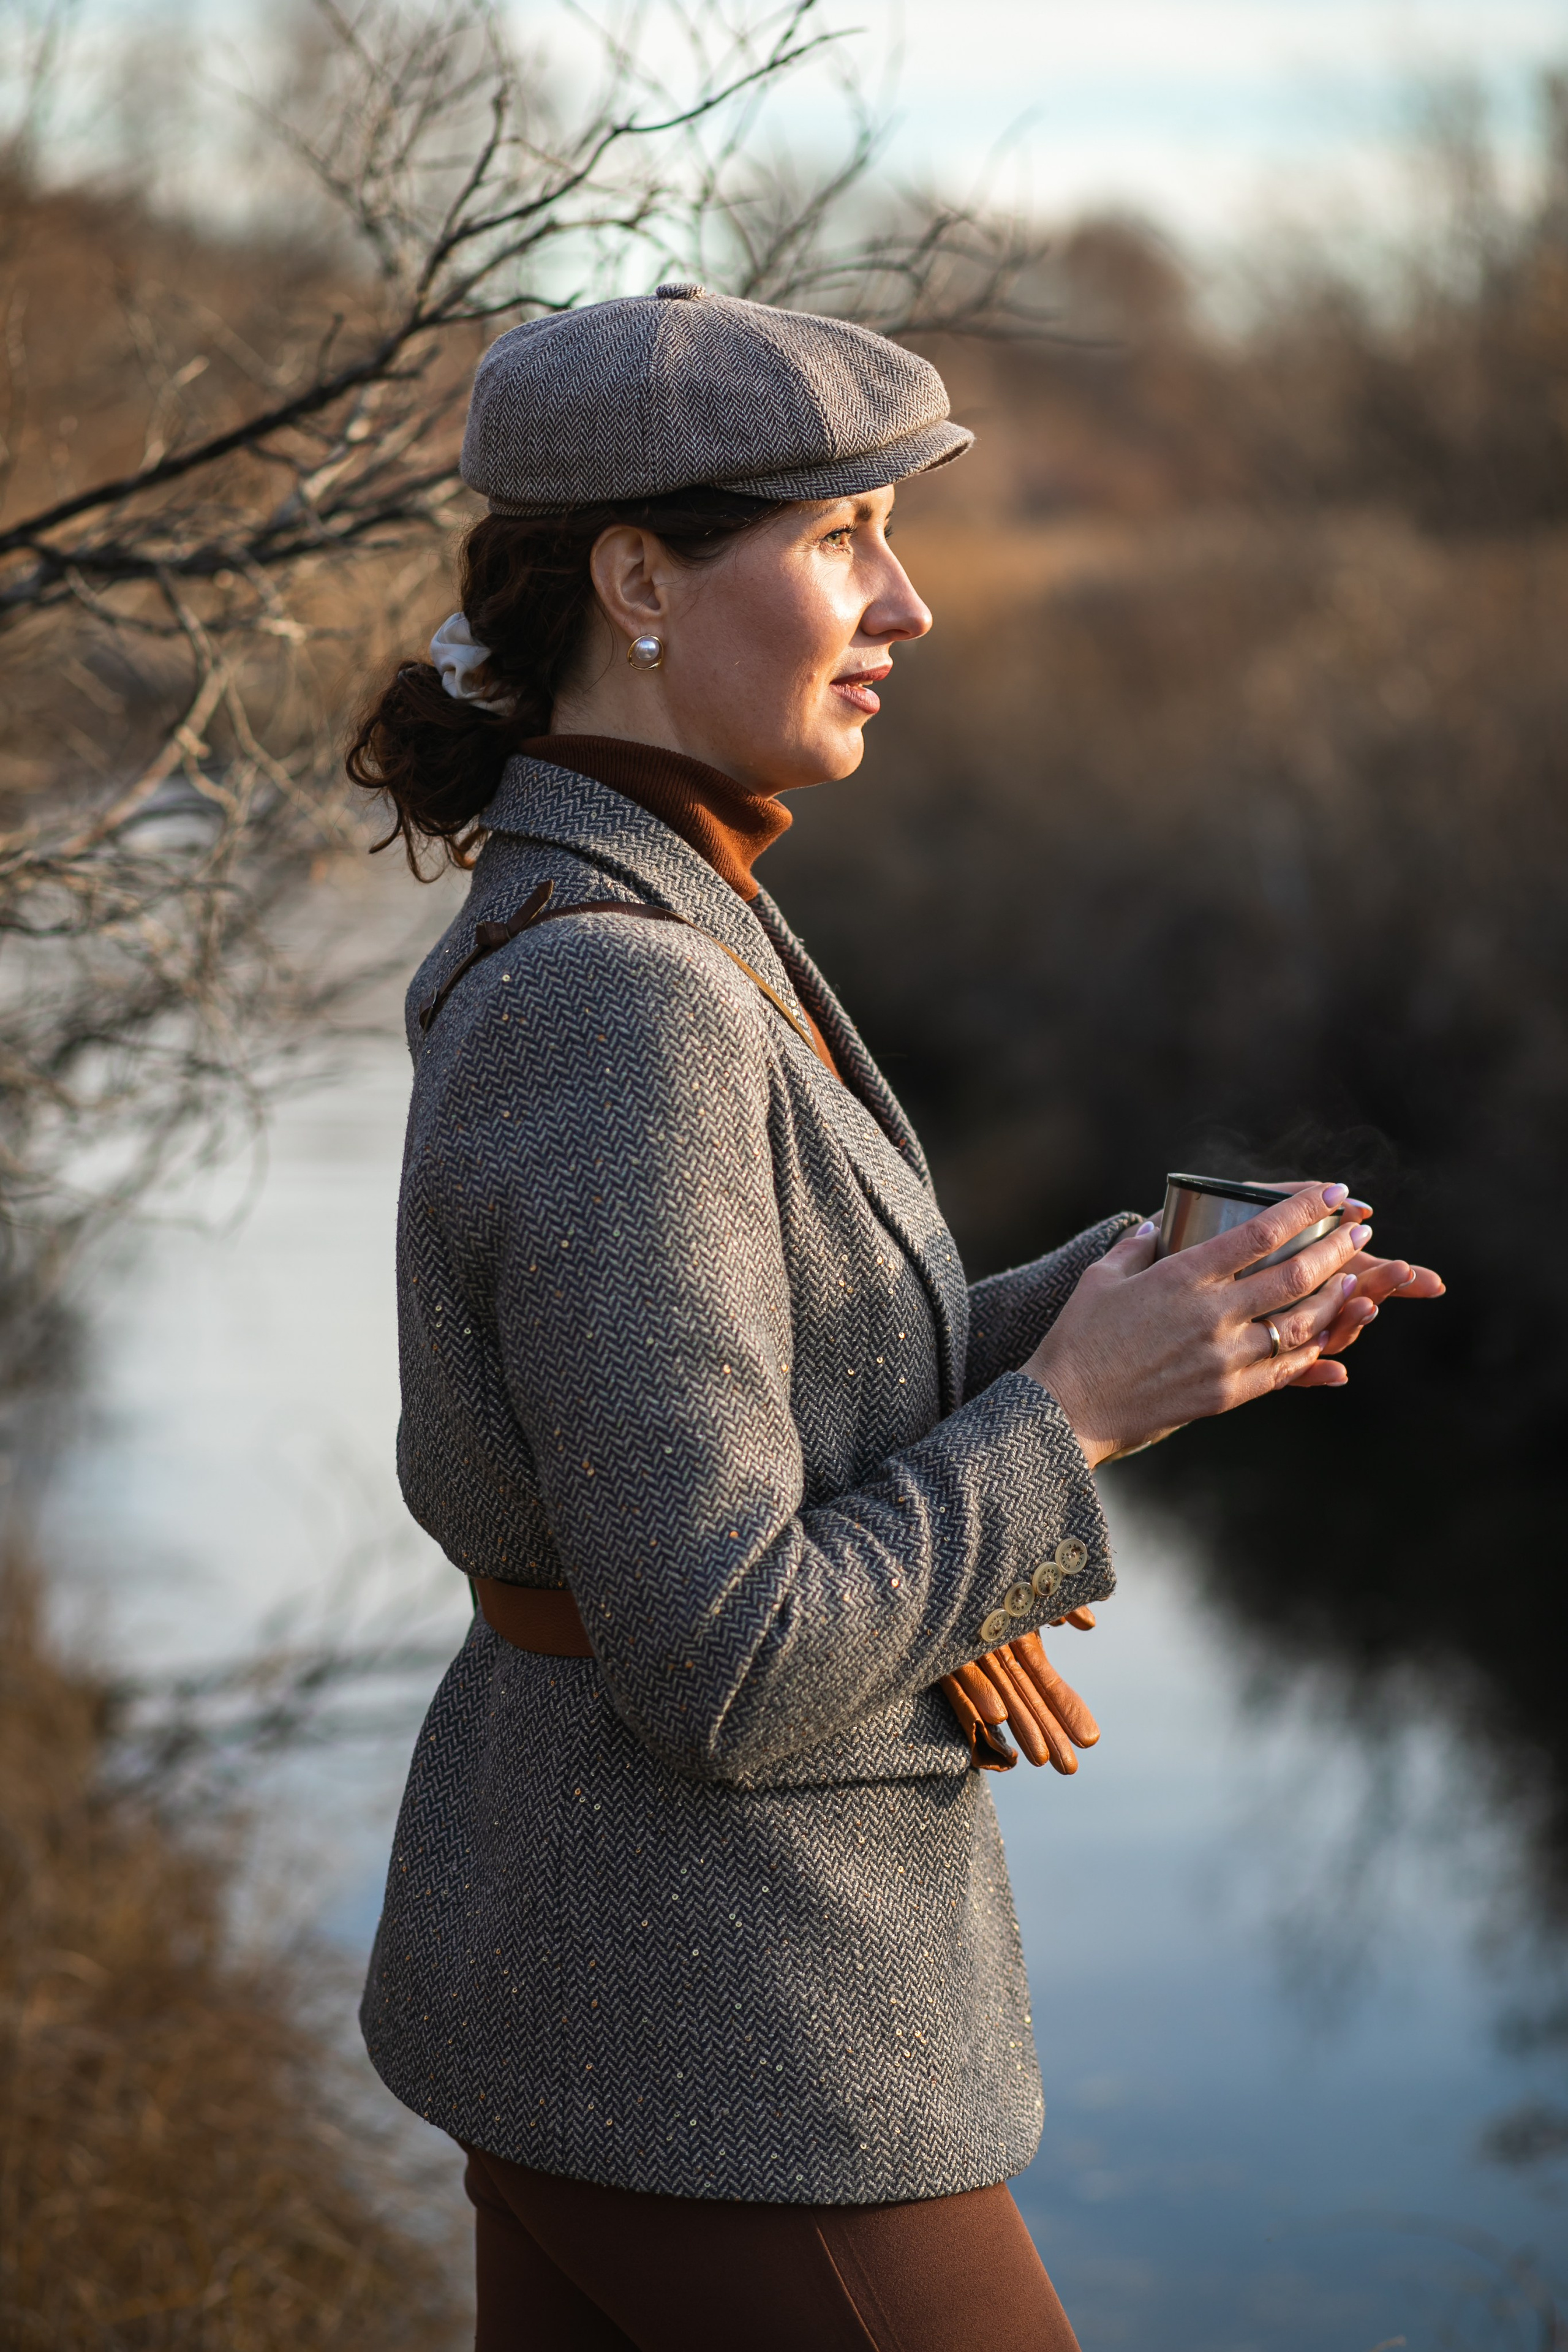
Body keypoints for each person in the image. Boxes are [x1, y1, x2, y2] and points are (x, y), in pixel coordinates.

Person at [348, 284, 1444, 2351]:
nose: (909, 604)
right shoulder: (624, 996)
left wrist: (1145, 1305)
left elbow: (795, 1357)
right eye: (844, 537)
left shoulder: (658, 901)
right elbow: (729, 1657)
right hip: (728, 2032)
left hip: (608, 1996)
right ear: (641, 579)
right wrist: (1076, 1424)